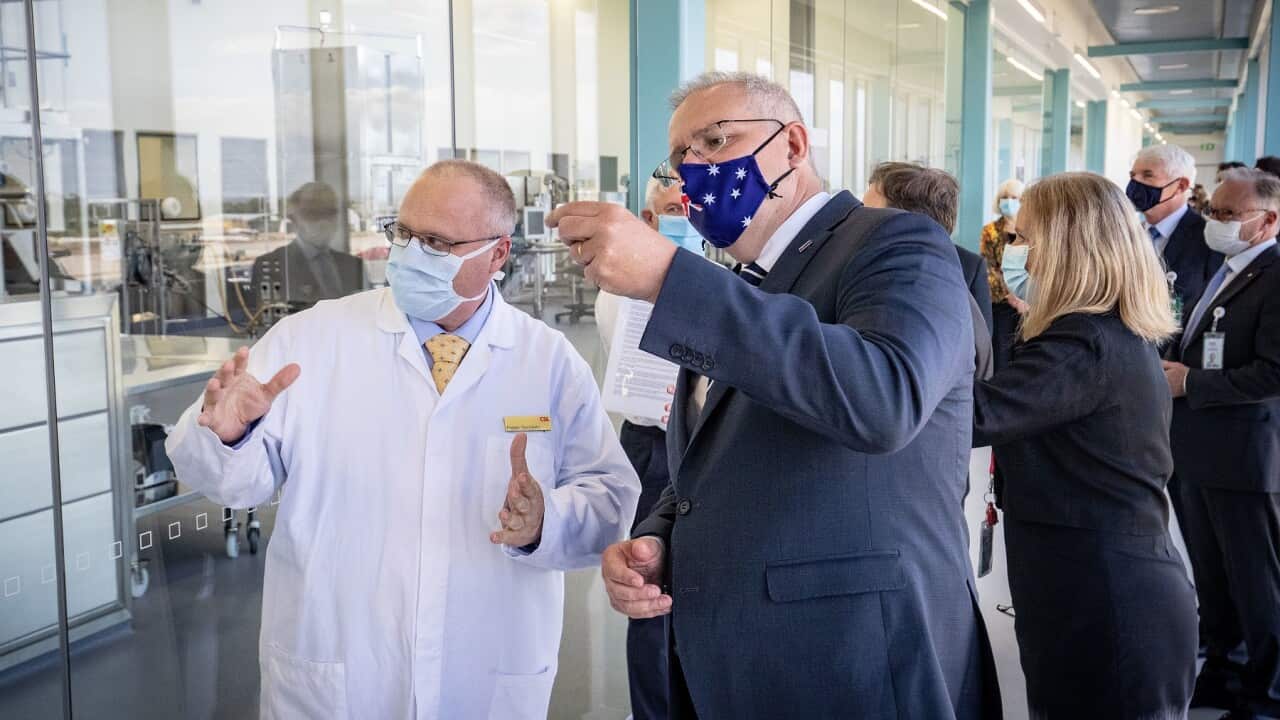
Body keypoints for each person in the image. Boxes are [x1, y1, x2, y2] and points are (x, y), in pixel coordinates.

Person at [550, 71, 998, 718]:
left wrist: (670, 277)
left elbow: (883, 398)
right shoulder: (746, 285)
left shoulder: (895, 244)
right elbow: (722, 453)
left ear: (792, 145)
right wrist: (660, 536)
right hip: (739, 659)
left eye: (716, 140)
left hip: (854, 660)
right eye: (682, 156)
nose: (695, 167)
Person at [165, 160, 640, 719]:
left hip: (486, 666)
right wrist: (230, 436)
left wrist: (545, 522)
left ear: (498, 255)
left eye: (437, 242)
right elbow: (233, 486)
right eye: (404, 233)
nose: (412, 254)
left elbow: (610, 497)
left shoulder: (547, 361)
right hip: (337, 665)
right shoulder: (312, 338)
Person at [973, 172, 1198, 719]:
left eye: (1025, 239)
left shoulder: (1084, 344)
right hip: (1094, 585)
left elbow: (978, 415)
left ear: (1068, 248)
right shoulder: (1105, 332)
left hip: (1108, 601)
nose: (1016, 252)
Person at [1162, 167, 1280, 720]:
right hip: (1200, 453)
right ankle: (1226, 671)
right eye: (1216, 212)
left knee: (1257, 584)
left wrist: (1191, 382)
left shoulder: (1274, 275)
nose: (1217, 224)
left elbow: (1272, 374)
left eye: (1231, 216)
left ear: (1268, 221)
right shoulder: (1229, 269)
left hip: (1244, 459)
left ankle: (1266, 693)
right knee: (1213, 575)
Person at [593, 176, 692, 720]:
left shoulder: (716, 282)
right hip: (655, 445)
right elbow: (658, 385)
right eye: (671, 210)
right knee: (649, 583)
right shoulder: (624, 292)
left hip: (703, 443)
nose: (683, 218)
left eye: (689, 208)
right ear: (648, 222)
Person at [862, 161, 993, 378]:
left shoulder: (923, 302)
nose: (855, 223)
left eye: (867, 216)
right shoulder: (931, 289)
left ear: (909, 227)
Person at [1128, 145, 1224, 331]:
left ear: (1181, 186)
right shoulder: (1126, 236)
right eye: (1133, 176)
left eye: (1147, 175)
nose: (1135, 183)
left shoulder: (1209, 239)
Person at [249, 182, 364, 311]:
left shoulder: (354, 265)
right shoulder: (271, 266)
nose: (323, 221)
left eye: (329, 212)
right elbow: (271, 320)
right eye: (312, 213)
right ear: (294, 219)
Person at [980, 178, 1027, 369]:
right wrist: (1011, 294)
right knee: (1001, 352)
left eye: (1014, 197)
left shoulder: (1032, 230)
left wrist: (1025, 295)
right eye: (1004, 197)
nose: (1008, 201)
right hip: (1001, 302)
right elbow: (988, 268)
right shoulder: (990, 231)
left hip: (1029, 302)